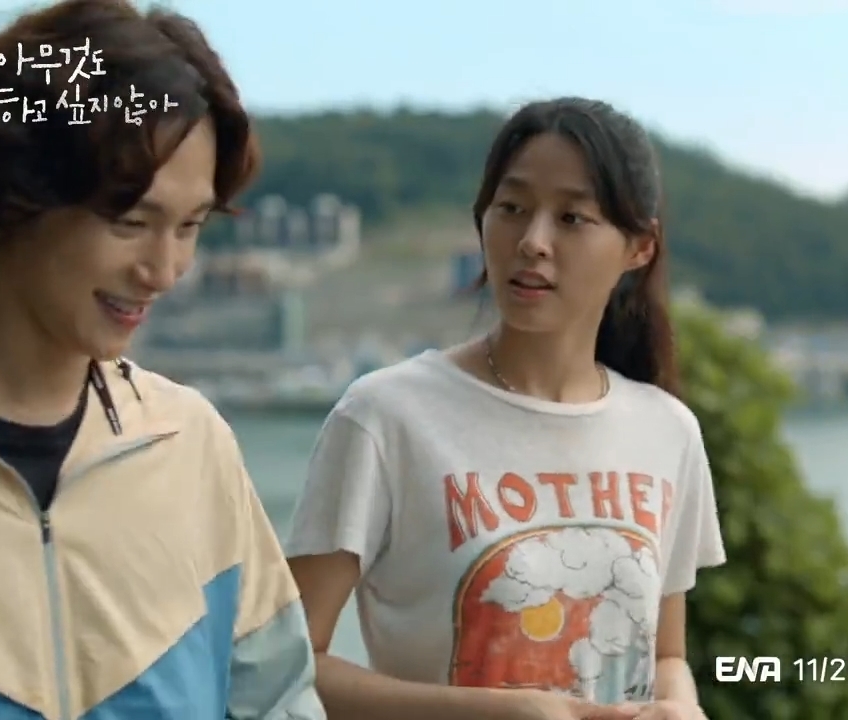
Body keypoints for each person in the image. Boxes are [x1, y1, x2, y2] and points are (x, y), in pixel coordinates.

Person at [0, 1, 324, 718]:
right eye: (132, 221)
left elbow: (277, 700)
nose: (164, 270)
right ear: (10, 195)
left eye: (190, 226)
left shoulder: (190, 446)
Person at [286, 97, 726, 720]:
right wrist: (490, 713)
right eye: (512, 208)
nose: (532, 242)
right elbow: (287, 663)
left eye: (572, 218)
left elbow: (665, 656)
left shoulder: (667, 430)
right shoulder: (385, 417)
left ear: (639, 247)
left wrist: (681, 708)